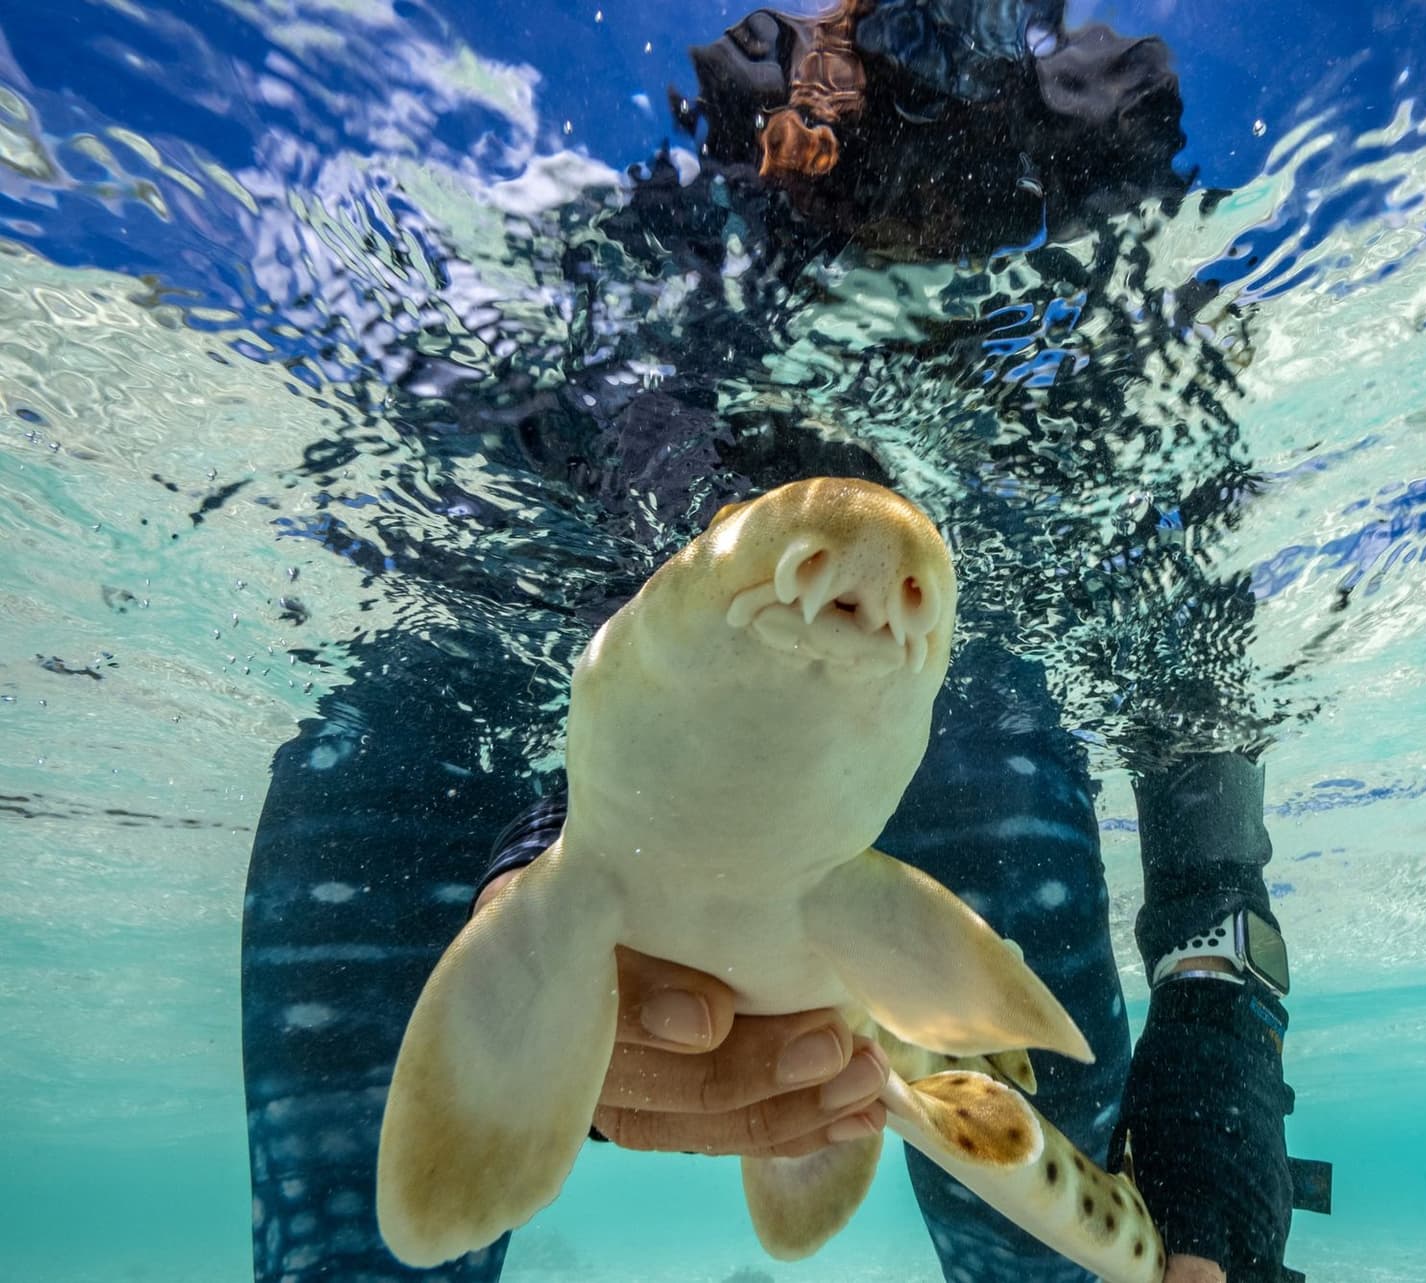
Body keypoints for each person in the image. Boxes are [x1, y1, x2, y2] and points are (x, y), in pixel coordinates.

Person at [241, 3, 1325, 1281]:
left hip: (933, 719)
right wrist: (581, 858)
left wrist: (1218, 997)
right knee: (383, 745)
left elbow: (1187, 610)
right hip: (575, 683)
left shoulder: (1113, 225)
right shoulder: (656, 244)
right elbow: (576, 519)